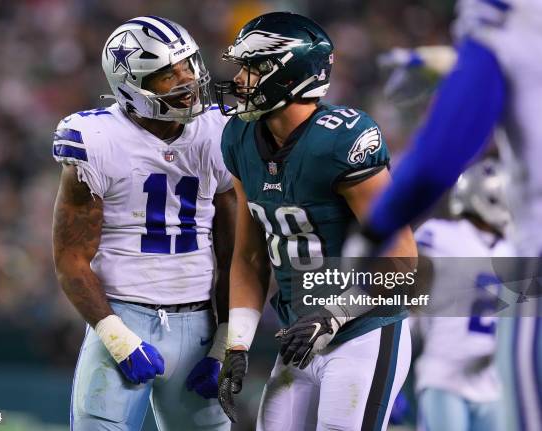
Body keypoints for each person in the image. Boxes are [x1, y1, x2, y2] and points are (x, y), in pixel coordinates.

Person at [214, 12, 417, 430]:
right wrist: (236, 344)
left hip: (361, 330)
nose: (240, 80)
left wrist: (333, 313)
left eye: (253, 68)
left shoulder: (341, 140)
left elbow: (403, 262)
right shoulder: (239, 137)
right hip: (296, 337)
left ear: (289, 77)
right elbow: (250, 257)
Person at [351, 2, 542, 429]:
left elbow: (439, 158)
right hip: (451, 378)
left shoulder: (506, 17)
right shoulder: (448, 237)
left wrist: (372, 232)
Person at [52, 16, 234, 431]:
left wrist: (224, 341)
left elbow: (237, 253)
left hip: (200, 322)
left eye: (188, 64)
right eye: (168, 75)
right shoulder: (96, 139)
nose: (188, 79)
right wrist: (116, 337)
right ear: (131, 87)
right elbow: (71, 260)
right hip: (122, 313)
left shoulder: (217, 131)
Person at [413, 159, 512, 431]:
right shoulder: (441, 235)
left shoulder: (512, 249)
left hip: (493, 381)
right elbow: (403, 279)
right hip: (444, 375)